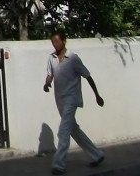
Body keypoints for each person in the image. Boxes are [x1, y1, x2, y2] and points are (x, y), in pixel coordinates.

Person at [43, 31, 105, 174]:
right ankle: (97, 154)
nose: (55, 44)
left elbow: (88, 76)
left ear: (64, 41)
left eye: (57, 41)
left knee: (63, 130)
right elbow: (50, 75)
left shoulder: (73, 58)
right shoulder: (51, 58)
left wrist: (97, 95)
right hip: (59, 99)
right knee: (73, 129)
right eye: (53, 42)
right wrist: (46, 84)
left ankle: (59, 164)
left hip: (72, 99)